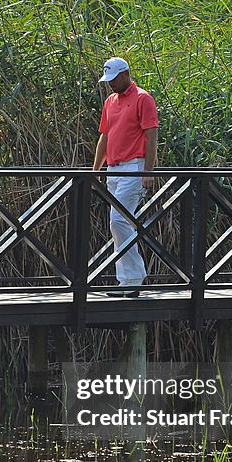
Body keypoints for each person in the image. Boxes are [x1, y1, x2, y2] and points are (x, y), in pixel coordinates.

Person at [92, 57, 159, 298]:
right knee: (119, 224)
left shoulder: (143, 98)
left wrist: (148, 171)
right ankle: (125, 280)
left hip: (135, 166)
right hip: (114, 168)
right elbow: (105, 137)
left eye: (113, 79)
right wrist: (96, 169)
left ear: (125, 74)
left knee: (118, 221)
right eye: (107, 80)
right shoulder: (110, 101)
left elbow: (151, 136)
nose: (109, 84)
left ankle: (134, 278)